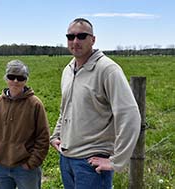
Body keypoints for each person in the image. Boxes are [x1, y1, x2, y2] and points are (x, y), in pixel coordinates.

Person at [50, 18, 141, 189]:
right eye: (70, 37)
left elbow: (129, 116)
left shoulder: (108, 70)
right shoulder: (68, 70)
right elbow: (66, 109)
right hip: (67, 159)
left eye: (81, 36)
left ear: (93, 39)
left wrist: (116, 161)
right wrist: (56, 135)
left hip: (91, 164)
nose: (75, 41)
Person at [0, 60, 50, 189]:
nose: (15, 81)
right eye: (11, 77)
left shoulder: (35, 104)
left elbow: (43, 137)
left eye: (20, 78)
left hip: (26, 169)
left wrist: (31, 163)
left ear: (26, 80)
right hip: (0, 167)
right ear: (6, 78)